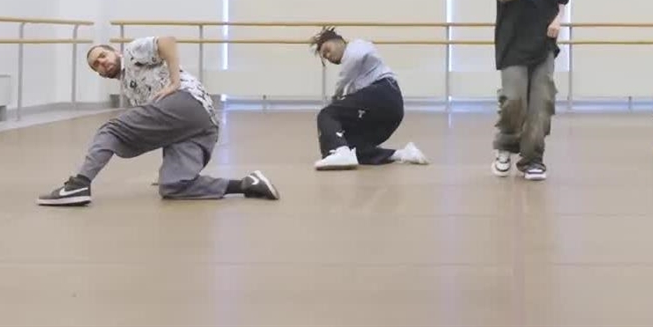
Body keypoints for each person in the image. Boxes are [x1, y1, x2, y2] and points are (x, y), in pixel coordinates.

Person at [37, 36, 279, 206]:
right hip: (201, 126)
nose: (102, 63)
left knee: (111, 130)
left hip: (186, 100)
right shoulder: (129, 88)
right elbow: (159, 125)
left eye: (102, 56)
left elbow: (167, 42)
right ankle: (248, 184)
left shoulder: (132, 53)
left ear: (115, 52)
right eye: (96, 66)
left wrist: (174, 82)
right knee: (174, 186)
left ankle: (78, 184)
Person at [486, 0, 569, 181]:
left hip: (543, 45)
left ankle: (533, 159)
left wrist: (558, 20)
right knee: (514, 100)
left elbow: (562, 0)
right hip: (512, 42)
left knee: (542, 104)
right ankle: (505, 147)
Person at [310, 26, 428, 170]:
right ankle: (402, 154)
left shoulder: (356, 46)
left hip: (384, 93)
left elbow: (354, 59)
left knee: (327, 114)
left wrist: (336, 95)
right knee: (352, 146)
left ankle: (339, 151)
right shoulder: (354, 78)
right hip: (387, 112)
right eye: (325, 57)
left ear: (338, 40)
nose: (328, 56)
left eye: (327, 50)